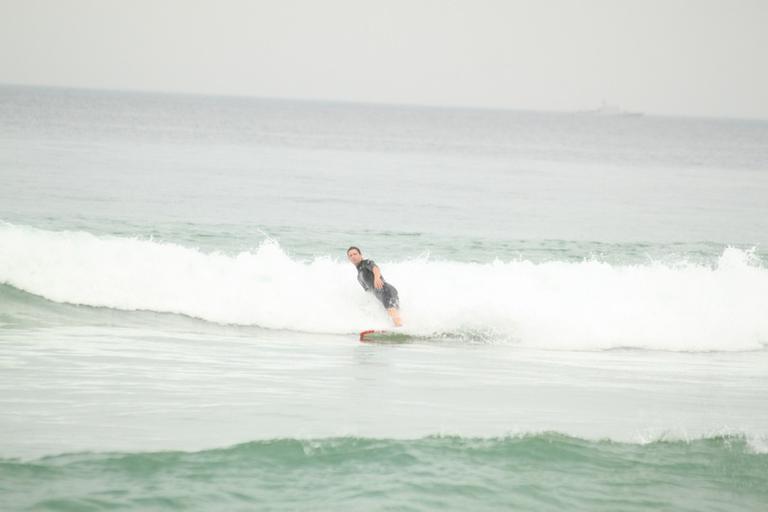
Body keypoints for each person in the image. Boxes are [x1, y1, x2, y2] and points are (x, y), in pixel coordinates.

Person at [347, 246, 403, 327]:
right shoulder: (359, 277)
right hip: (382, 294)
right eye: (350, 255)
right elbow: (369, 292)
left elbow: (375, 268)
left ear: (360, 255)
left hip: (385, 290)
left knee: (392, 312)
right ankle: (404, 328)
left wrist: (377, 278)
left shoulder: (366, 263)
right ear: (349, 259)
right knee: (395, 315)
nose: (353, 256)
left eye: (355, 254)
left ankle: (400, 329)